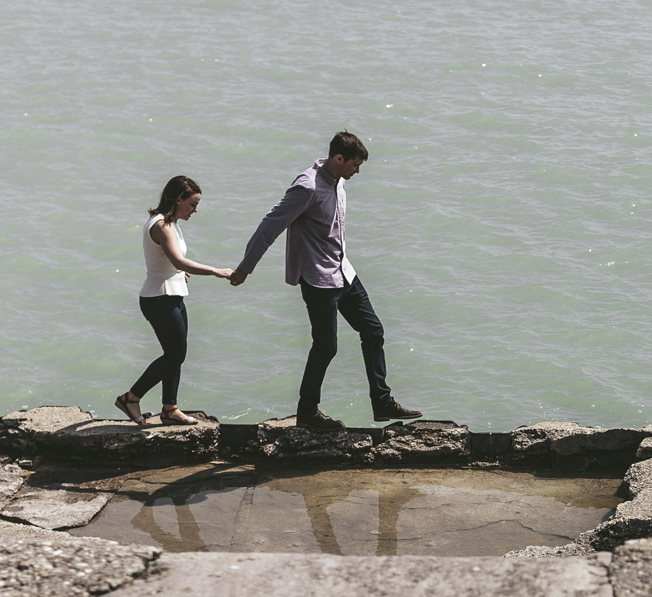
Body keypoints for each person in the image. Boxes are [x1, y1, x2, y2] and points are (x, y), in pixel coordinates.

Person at [230, 132, 428, 428]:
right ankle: (307, 412)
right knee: (326, 347)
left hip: (344, 272)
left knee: (373, 331)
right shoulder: (307, 187)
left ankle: (382, 403)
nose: (356, 171)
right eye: (354, 165)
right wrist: (245, 267)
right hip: (318, 278)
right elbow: (271, 224)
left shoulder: (339, 182)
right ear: (338, 159)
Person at [115, 175, 233, 425]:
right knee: (175, 354)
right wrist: (216, 271)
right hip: (159, 298)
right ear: (178, 199)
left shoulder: (167, 222)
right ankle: (131, 398)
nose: (196, 210)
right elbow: (178, 260)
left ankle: (170, 408)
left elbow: (169, 260)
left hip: (171, 295)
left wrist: (179, 271)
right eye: (192, 204)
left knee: (175, 353)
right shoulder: (162, 226)